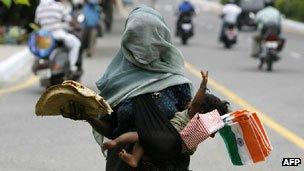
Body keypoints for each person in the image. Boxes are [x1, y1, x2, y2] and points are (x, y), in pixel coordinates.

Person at [61, 6, 195, 170]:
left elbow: (190, 122)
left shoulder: (177, 84)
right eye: (136, 38)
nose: (144, 45)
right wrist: (88, 116)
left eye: (152, 38)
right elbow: (111, 129)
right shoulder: (115, 81)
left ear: (163, 40)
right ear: (126, 41)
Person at [101, 71, 230, 168]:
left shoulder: (192, 115)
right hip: (176, 150)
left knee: (140, 136)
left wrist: (203, 86)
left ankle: (118, 144)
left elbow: (196, 103)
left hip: (168, 138)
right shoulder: (203, 129)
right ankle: (135, 158)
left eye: (193, 101)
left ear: (200, 110)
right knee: (145, 140)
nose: (190, 101)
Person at [35, 0, 82, 73]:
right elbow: (69, 20)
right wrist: (77, 26)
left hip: (44, 36)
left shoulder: (39, 8)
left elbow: (38, 22)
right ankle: (71, 66)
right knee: (76, 44)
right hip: (57, 34)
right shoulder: (58, 6)